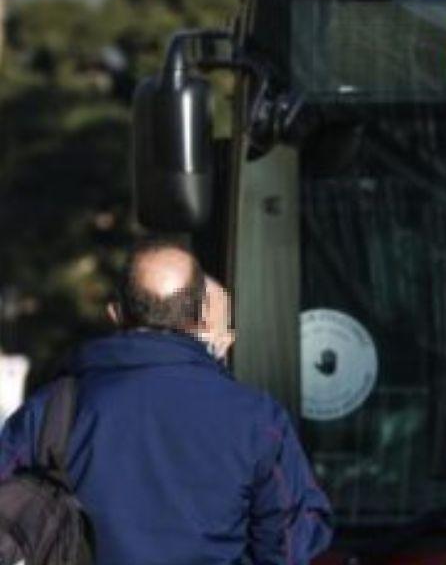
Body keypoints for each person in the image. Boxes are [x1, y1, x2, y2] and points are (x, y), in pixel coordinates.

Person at [0, 240, 332, 565]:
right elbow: (289, 543)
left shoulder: (52, 409)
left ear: (116, 314)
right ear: (203, 314)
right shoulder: (258, 418)